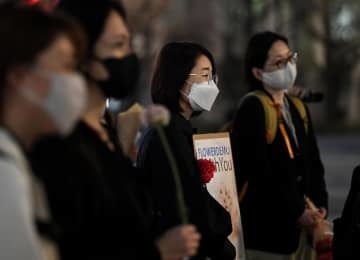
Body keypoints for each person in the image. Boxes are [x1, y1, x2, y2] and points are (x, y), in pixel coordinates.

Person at [30, 0, 200, 259]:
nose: (129, 56)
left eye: (129, 44)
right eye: (118, 45)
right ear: (81, 56)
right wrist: (157, 253)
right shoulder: (62, 144)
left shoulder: (106, 131)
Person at [0, 4, 87, 259]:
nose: (75, 82)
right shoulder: (4, 171)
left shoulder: (17, 157)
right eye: (66, 66)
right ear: (19, 76)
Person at [231, 31, 328, 259]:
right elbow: (260, 174)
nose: (288, 66)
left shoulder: (296, 107)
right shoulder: (252, 108)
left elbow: (313, 163)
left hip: (301, 234)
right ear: (258, 72)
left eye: (290, 58)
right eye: (279, 62)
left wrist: (320, 204)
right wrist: (297, 212)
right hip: (267, 239)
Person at [137, 42, 236, 260]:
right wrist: (223, 225)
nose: (212, 85)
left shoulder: (174, 129)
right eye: (205, 76)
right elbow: (190, 205)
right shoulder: (169, 134)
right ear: (179, 79)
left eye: (213, 77)